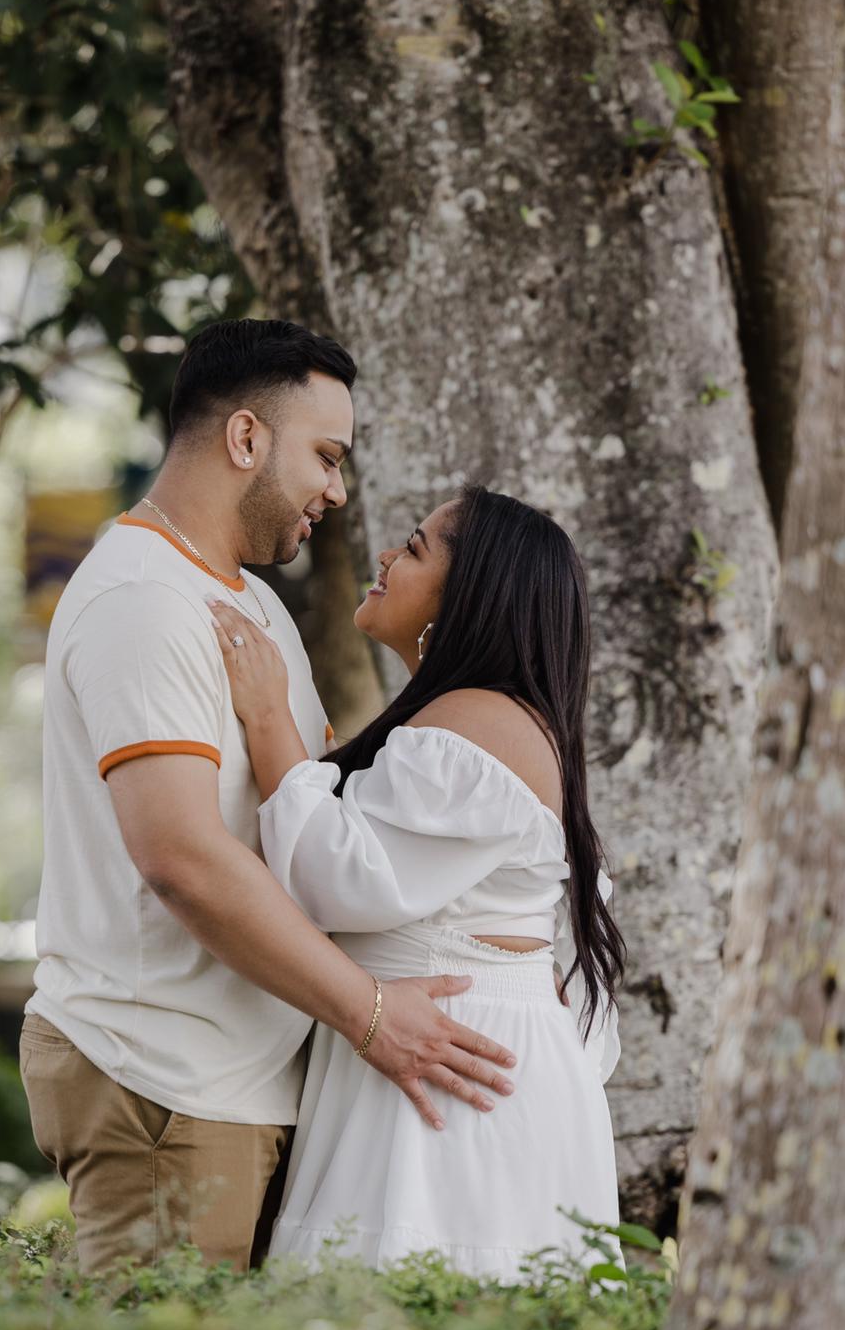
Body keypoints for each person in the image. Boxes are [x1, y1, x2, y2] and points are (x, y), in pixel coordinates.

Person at [18, 321, 518, 1275]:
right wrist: (373, 1015)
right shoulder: (145, 600)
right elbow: (181, 858)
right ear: (245, 438)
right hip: (164, 1078)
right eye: (326, 457)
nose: (338, 490)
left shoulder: (248, 600)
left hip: (234, 1082)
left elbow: (308, 823)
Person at [207, 486, 625, 1279]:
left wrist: (267, 718)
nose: (386, 556)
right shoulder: (491, 720)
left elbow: (335, 878)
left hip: (446, 1072)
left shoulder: (476, 721)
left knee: (409, 1304)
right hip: (456, 1053)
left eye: (414, 547)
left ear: (468, 595)